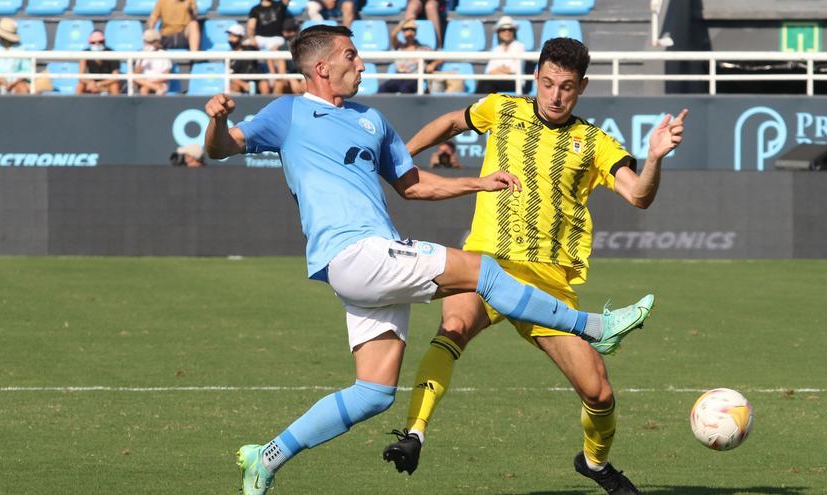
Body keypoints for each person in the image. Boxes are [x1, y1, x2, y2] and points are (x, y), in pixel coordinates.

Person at [204, 25, 653, 495]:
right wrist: (215, 120)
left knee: (373, 394)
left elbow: (413, 185)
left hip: (374, 260)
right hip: (355, 252)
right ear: (322, 68)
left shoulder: (371, 121)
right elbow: (220, 147)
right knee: (483, 272)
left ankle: (266, 457)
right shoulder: (288, 112)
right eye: (351, 56)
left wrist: (475, 184)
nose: (361, 64)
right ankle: (594, 327)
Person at [381, 37, 688, 495]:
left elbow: (639, 195)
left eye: (566, 86)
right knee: (454, 327)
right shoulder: (502, 110)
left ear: (581, 86)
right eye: (547, 83)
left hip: (549, 285)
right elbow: (450, 121)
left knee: (599, 393)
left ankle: (595, 463)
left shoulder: (594, 142)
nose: (555, 95)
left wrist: (654, 159)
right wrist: (399, 158)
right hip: (486, 261)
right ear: (536, 79)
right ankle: (414, 433)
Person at [378, 19, 440, 94]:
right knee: (383, 88)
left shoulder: (423, 48)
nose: (409, 31)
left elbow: (441, 57)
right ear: (402, 32)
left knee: (405, 88)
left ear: (415, 32)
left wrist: (433, 64)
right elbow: (393, 35)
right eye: (406, 29)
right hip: (399, 76)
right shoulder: (399, 46)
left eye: (412, 29)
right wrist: (405, 22)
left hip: (414, 78)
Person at [475, 16, 525, 95]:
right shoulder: (496, 49)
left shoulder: (519, 46)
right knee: (483, 83)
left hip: (514, 82)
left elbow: (514, 69)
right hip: (498, 80)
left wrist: (498, 70)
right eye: (503, 30)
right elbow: (489, 70)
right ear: (499, 32)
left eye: (510, 29)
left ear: (514, 32)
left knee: (486, 84)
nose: (507, 32)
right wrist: (503, 70)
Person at [0, 18, 31, 95]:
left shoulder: (21, 48)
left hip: (17, 82)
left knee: (23, 89)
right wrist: (2, 80)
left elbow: (27, 70)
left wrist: (14, 82)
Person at [225, 24, 270, 95]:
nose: (231, 39)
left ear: (241, 37)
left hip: (257, 79)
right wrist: (243, 84)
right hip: (241, 82)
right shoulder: (228, 56)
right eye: (230, 36)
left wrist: (250, 34)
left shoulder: (250, 48)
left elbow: (255, 45)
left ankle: (266, 105)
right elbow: (231, 75)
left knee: (265, 84)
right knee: (233, 87)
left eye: (234, 36)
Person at [76, 30, 121, 95]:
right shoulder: (85, 53)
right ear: (90, 42)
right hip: (91, 83)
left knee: (114, 85)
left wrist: (100, 84)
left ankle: (116, 104)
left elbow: (115, 76)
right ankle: (75, 104)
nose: (97, 44)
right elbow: (80, 75)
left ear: (104, 42)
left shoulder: (111, 53)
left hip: (107, 83)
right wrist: (89, 83)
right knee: (80, 85)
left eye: (100, 42)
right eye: (93, 42)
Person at [133, 29, 173, 95]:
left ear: (157, 42)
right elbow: (137, 73)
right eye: (146, 41)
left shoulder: (163, 54)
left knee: (144, 87)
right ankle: (157, 89)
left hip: (159, 83)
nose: (148, 44)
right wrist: (141, 59)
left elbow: (166, 76)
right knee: (142, 86)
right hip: (144, 83)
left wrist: (151, 82)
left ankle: (158, 90)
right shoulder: (141, 54)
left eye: (151, 42)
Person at [271, 18, 306, 95]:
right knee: (279, 85)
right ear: (283, 32)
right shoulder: (281, 48)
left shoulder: (306, 46)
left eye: (294, 30)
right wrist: (291, 78)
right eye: (288, 31)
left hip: (304, 76)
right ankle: (274, 107)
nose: (292, 33)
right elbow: (282, 72)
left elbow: (308, 69)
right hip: (289, 77)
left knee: (306, 86)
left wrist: (304, 79)